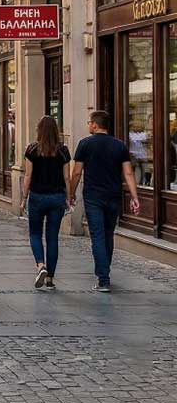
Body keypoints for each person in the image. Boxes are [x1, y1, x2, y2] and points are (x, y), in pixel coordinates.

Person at [68, 110, 141, 292]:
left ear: (94, 124)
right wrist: (134, 196)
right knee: (108, 235)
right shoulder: (120, 146)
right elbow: (128, 173)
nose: (88, 125)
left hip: (93, 197)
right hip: (113, 195)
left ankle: (103, 278)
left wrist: (70, 193)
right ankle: (104, 272)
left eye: (89, 123)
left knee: (98, 237)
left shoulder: (85, 144)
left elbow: (76, 172)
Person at [21, 116, 70, 290]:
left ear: (39, 130)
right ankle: (50, 279)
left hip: (37, 196)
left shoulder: (32, 149)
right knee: (52, 237)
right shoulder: (63, 150)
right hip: (56, 197)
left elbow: (28, 176)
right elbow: (66, 177)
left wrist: (24, 197)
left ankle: (40, 265)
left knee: (35, 233)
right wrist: (68, 198)